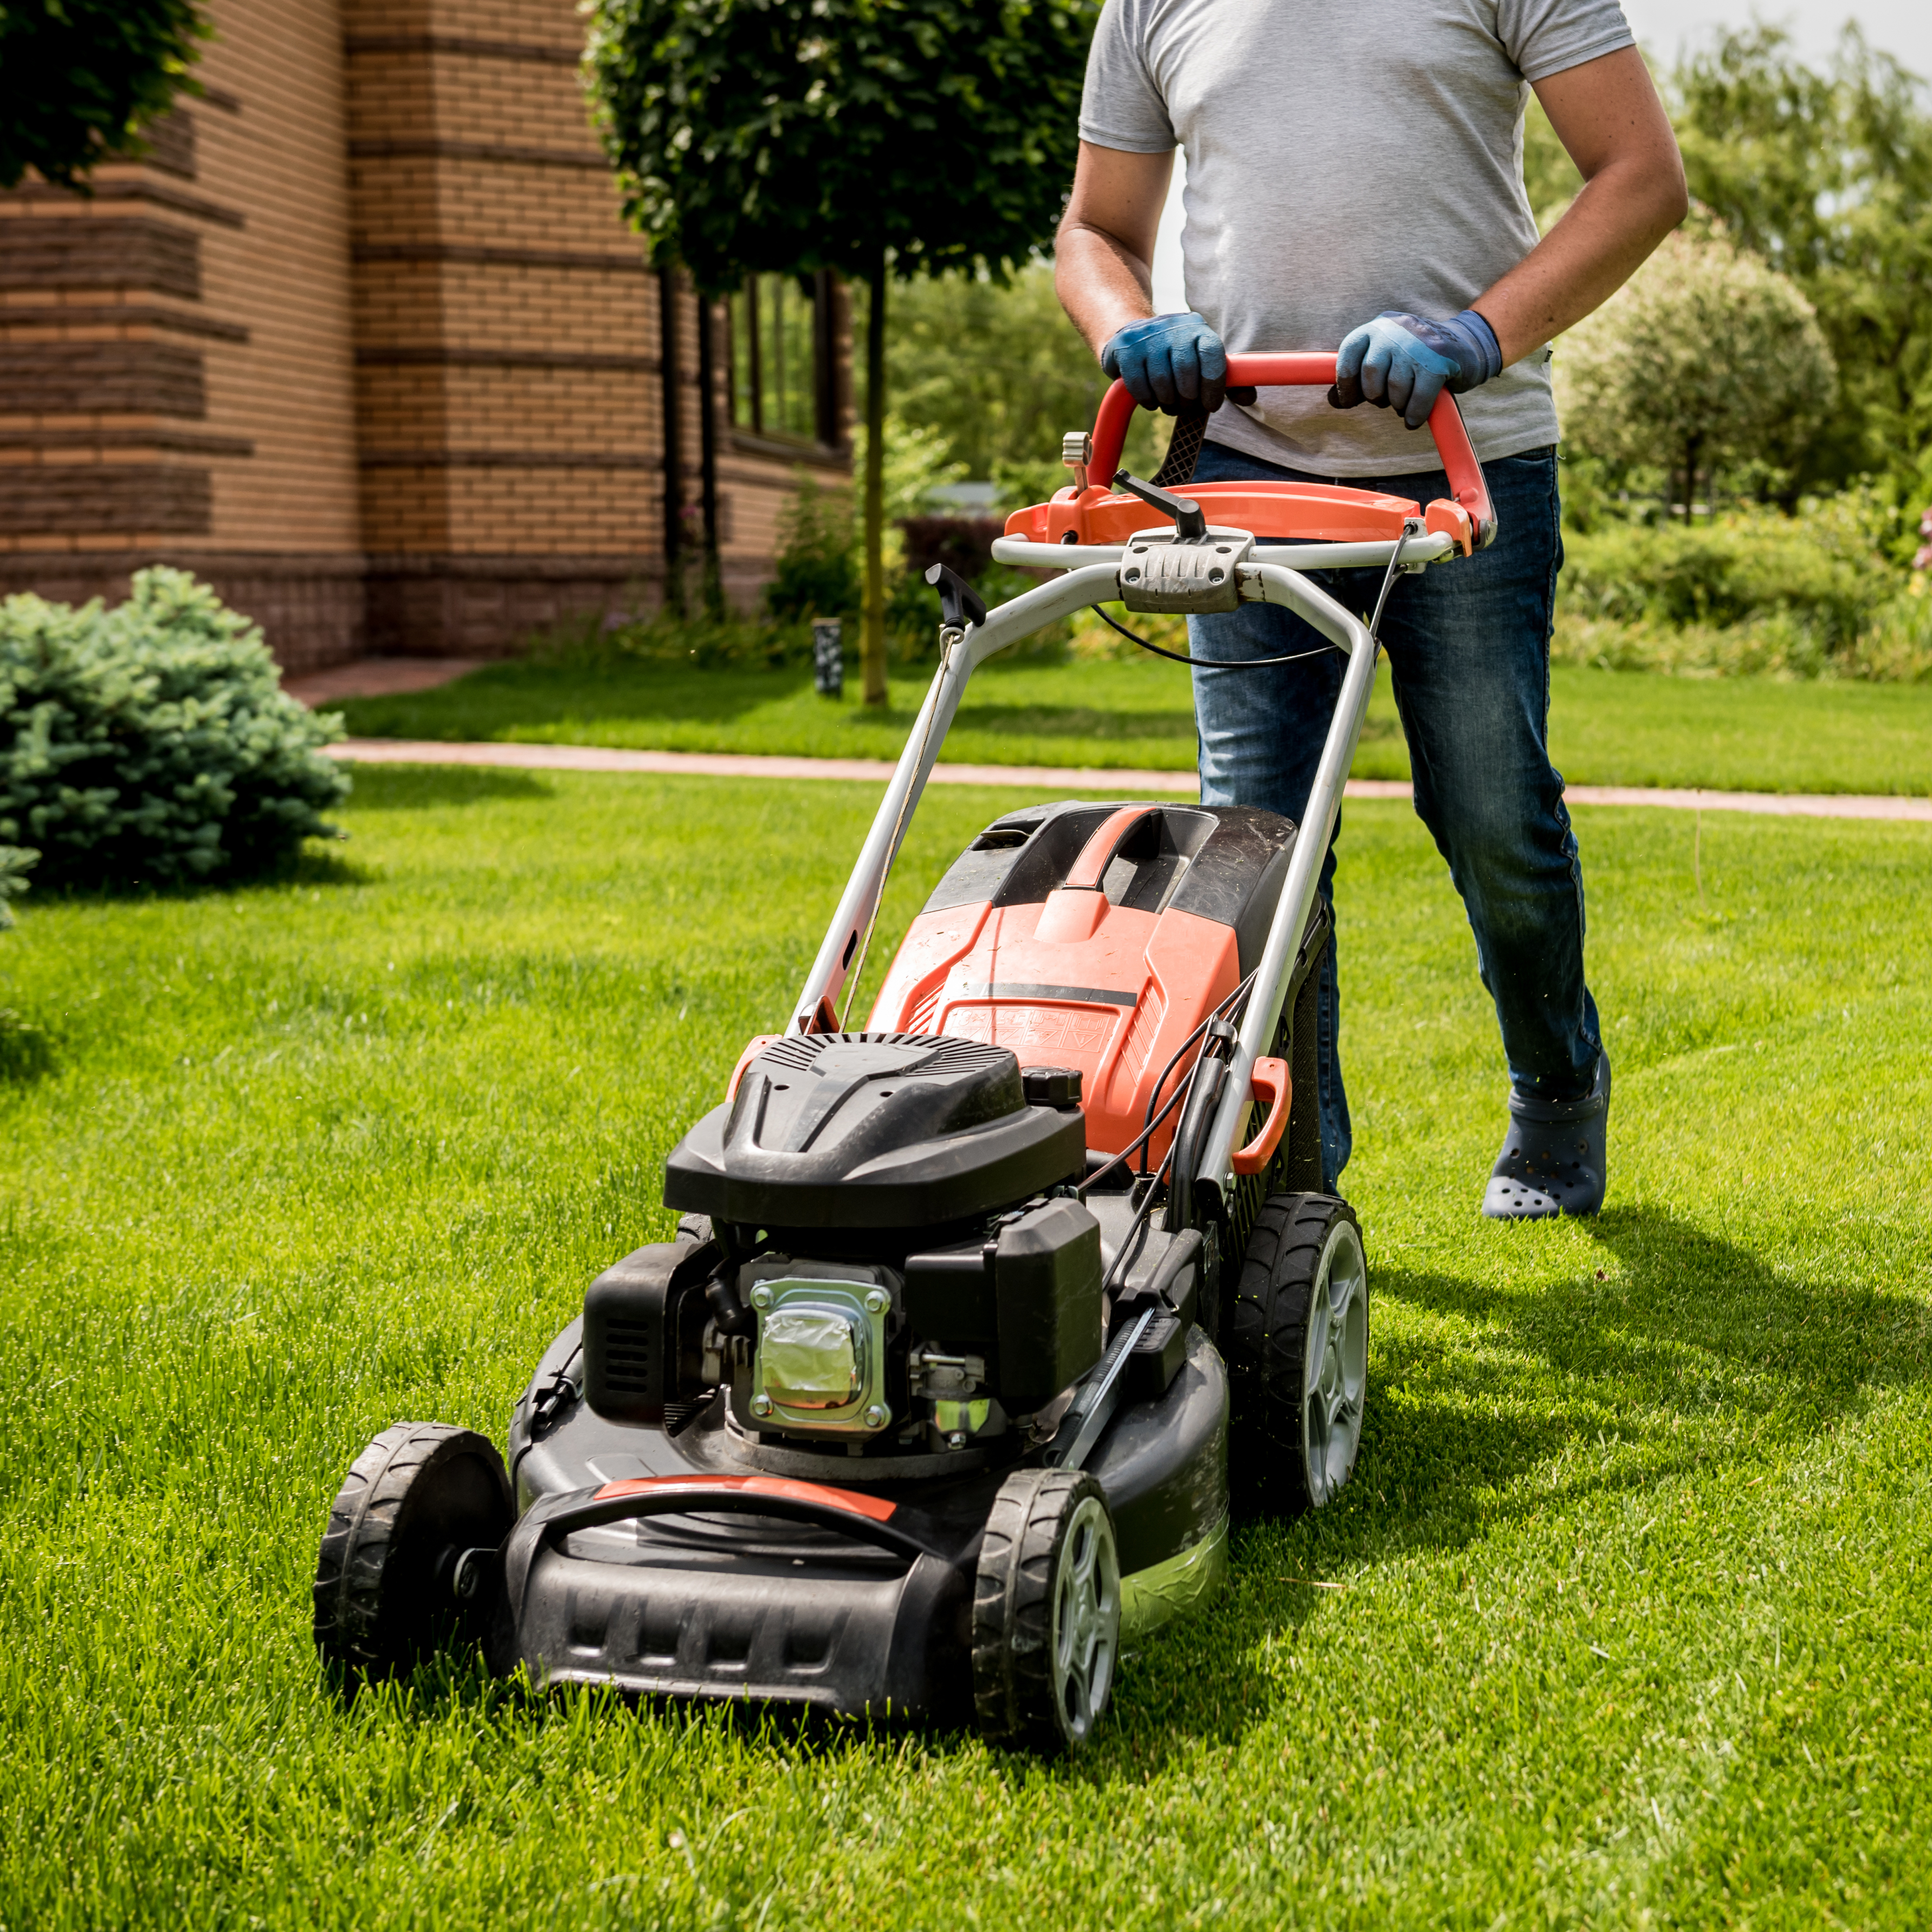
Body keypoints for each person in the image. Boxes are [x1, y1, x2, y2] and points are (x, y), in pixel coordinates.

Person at [1055, 0, 1687, 1218]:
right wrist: (1129, 325)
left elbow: (1641, 180)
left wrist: (1476, 335)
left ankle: (1557, 1094)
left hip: (1464, 459)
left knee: (1494, 810)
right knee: (1255, 850)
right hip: (1241, 473)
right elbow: (1097, 227)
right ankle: (1294, 1182)